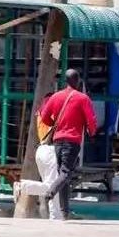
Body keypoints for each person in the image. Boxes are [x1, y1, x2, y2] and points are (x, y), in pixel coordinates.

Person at [41, 69, 97, 219]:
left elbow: (44, 116)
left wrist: (55, 124)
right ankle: (50, 192)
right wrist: (91, 132)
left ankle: (65, 212)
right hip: (72, 140)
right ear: (78, 81)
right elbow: (91, 121)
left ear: (65, 81)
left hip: (58, 141)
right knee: (66, 173)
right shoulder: (83, 98)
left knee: (63, 174)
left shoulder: (55, 97)